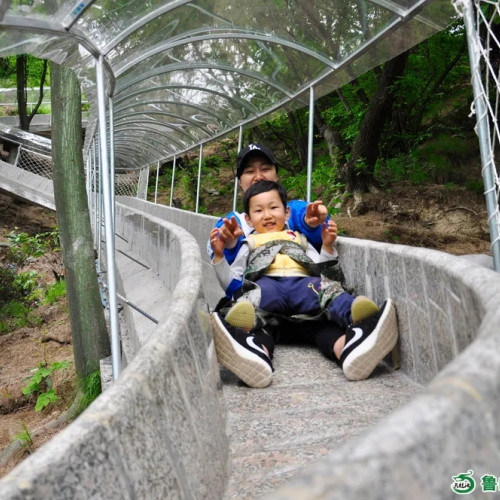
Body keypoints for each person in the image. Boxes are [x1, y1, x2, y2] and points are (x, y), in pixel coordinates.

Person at [210, 180, 398, 388]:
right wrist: (219, 257)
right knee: (249, 300)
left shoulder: (299, 239)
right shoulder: (248, 243)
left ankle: (357, 335)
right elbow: (234, 283)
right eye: (258, 211)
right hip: (268, 288)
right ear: (248, 219)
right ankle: (250, 349)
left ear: (287, 212)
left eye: (274, 207)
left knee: (326, 290)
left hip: (303, 285)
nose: (268, 215)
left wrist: (327, 246)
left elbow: (320, 269)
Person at [207, 143, 329, 270]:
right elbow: (224, 266)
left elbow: (315, 219)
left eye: (265, 169)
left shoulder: (293, 210)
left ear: (276, 175)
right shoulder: (233, 222)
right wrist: (230, 243)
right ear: (240, 182)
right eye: (249, 171)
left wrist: (311, 223)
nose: (259, 177)